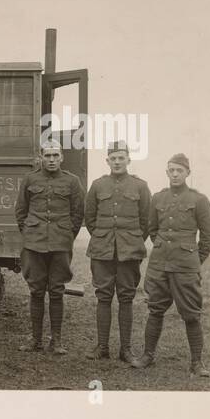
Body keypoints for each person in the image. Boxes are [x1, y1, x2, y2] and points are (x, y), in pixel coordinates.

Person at [131, 153, 210, 377]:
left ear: (188, 173)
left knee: (191, 314)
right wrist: (163, 250)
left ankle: (197, 363)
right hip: (159, 265)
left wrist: (195, 260)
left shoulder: (199, 200)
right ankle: (147, 355)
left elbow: (209, 235)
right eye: (172, 170)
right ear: (167, 172)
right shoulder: (158, 198)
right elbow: (152, 229)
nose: (175, 174)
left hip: (186, 267)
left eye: (180, 170)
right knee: (155, 310)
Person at [83, 141, 152, 362]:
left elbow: (146, 221)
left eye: (121, 158)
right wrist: (103, 237)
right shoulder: (97, 185)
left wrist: (132, 240)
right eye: (113, 158)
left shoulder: (140, 186)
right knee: (103, 297)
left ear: (128, 160)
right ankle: (102, 347)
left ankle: (126, 350)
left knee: (126, 298)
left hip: (129, 251)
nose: (117, 162)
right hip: (102, 250)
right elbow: (90, 219)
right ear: (107, 161)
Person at [14, 143, 85, 354]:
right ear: (41, 157)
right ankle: (35, 340)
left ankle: (57, 341)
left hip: (60, 243)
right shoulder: (29, 179)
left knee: (56, 291)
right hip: (34, 244)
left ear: (62, 157)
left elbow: (77, 213)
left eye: (56, 155)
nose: (52, 159)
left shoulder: (72, 181)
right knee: (36, 291)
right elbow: (21, 211)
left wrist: (67, 235)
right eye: (48, 155)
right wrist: (29, 232)